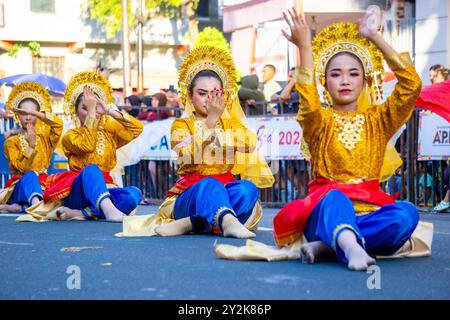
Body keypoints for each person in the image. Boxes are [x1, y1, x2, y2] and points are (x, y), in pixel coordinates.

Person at [273, 8, 423, 271]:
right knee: (335, 197)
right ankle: (352, 248)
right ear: (325, 82)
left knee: (407, 213)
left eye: (353, 74)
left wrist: (373, 36)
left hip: (371, 211)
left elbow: (411, 84)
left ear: (365, 82)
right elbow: (307, 100)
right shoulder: (318, 121)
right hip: (325, 209)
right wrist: (305, 46)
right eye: (335, 74)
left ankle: (328, 246)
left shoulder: (379, 120)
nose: (345, 80)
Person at [152, 45, 275, 238]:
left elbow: (250, 143)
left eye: (215, 93)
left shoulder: (230, 123)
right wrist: (210, 122)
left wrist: (217, 128)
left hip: (225, 189)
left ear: (223, 95)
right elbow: (189, 156)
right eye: (202, 93)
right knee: (209, 184)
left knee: (247, 189)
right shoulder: (181, 125)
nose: (209, 99)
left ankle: (194, 223)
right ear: (190, 96)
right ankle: (227, 222)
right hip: (192, 193)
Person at [20, 71, 144, 222]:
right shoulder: (70, 136)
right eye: (86, 108)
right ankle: (108, 210)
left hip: (106, 187)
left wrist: (109, 111)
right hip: (78, 191)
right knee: (92, 169)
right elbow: (87, 145)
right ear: (76, 112)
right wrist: (92, 112)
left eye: (95, 108)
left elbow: (137, 128)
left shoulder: (109, 133)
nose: (93, 112)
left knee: (134, 194)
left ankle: (81, 213)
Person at [0, 82, 63, 212]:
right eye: (24, 113)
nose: (28, 117)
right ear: (17, 115)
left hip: (45, 184)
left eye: (32, 113)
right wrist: (31, 146)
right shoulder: (11, 142)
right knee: (29, 175)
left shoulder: (45, 137)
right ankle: (37, 206)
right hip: (22, 185)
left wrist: (38, 113)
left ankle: (21, 208)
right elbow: (22, 168)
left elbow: (58, 125)